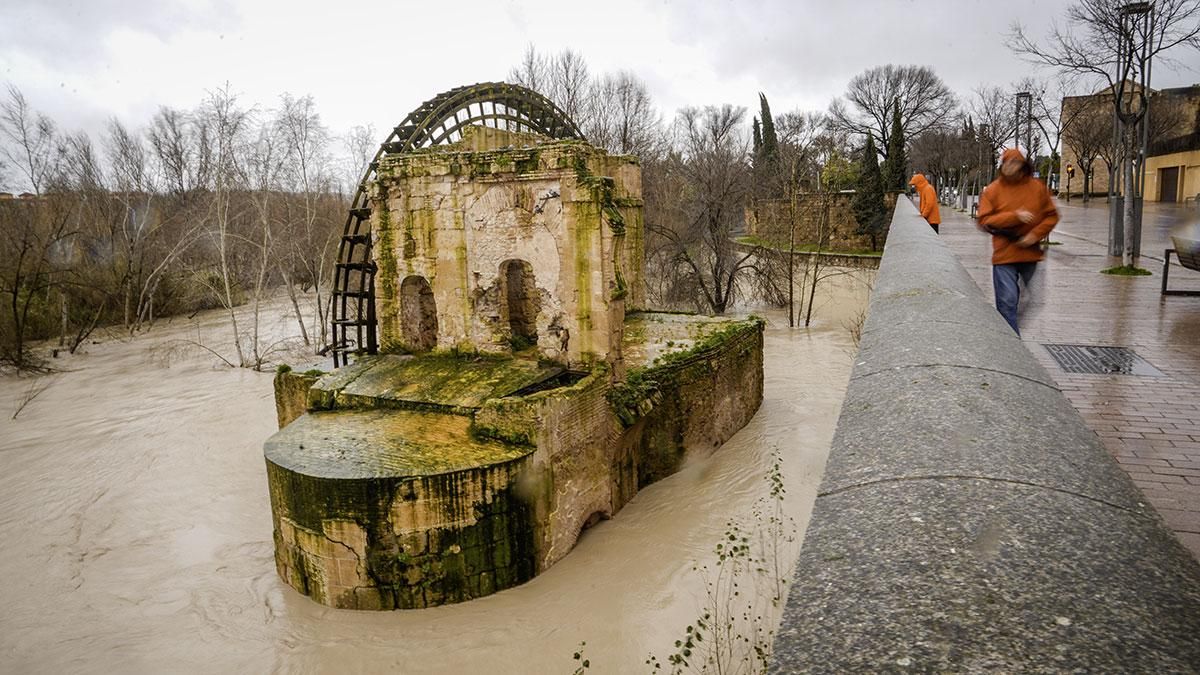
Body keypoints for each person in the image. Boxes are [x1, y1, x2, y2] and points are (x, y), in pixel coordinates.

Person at [975, 148, 1059, 335]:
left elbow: (1051, 216)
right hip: (1005, 255)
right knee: (1007, 301)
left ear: (1022, 165)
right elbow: (984, 221)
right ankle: (1012, 341)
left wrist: (1035, 235)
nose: (1008, 166)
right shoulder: (994, 191)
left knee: (1035, 300)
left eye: (1013, 162)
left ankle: (1007, 330)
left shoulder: (1037, 188)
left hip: (1031, 254)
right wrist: (1014, 217)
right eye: (1005, 162)